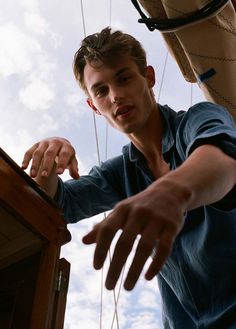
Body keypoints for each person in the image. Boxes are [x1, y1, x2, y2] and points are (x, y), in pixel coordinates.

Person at [22, 27, 236, 328]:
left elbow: (223, 161)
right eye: (101, 90)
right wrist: (50, 159)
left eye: (124, 78)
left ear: (148, 77)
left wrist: (172, 192)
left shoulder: (199, 119)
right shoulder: (120, 174)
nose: (116, 95)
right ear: (93, 106)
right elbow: (60, 205)